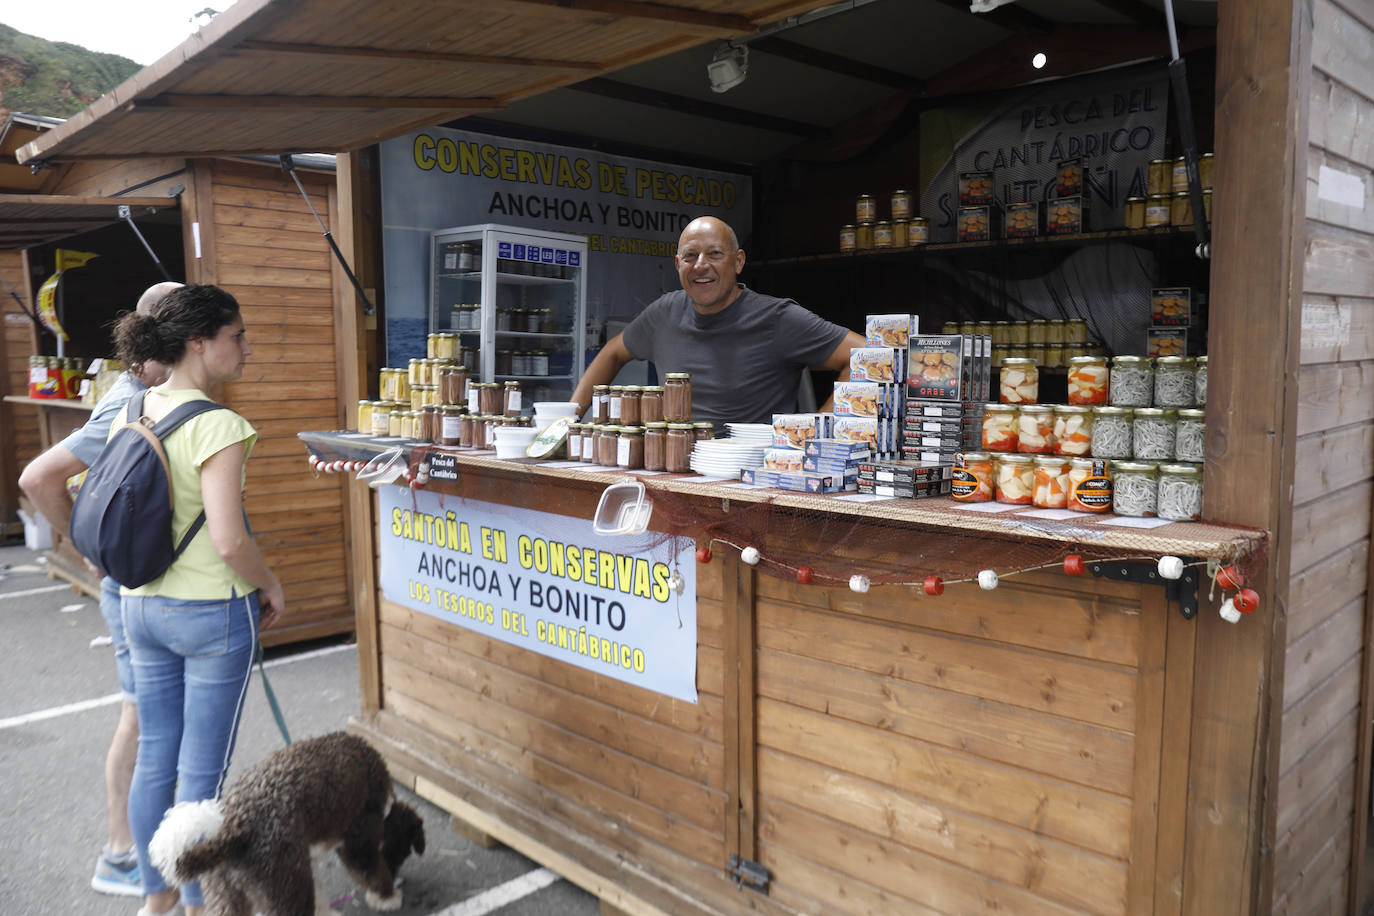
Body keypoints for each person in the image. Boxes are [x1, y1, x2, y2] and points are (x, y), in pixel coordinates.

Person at [109, 284, 284, 916]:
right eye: (237, 336)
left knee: (155, 757)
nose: (245, 347)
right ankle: (197, 901)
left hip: (141, 604)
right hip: (211, 614)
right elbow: (230, 539)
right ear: (198, 342)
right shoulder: (219, 424)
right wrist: (270, 582)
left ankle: (154, 901)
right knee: (200, 775)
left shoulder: (140, 407)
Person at [18, 280, 183, 898]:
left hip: (146, 582)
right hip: (130, 585)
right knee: (139, 716)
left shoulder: (152, 392)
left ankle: (146, 843)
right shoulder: (130, 400)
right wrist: (91, 552)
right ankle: (120, 851)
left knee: (146, 715)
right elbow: (38, 478)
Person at [571, 216, 865, 426]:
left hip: (753, 482)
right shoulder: (663, 313)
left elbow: (866, 355)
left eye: (714, 254)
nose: (701, 265)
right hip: (677, 472)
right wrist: (565, 421)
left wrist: (820, 430)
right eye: (690, 256)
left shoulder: (777, 318)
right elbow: (612, 352)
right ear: (678, 265)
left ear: (738, 262)